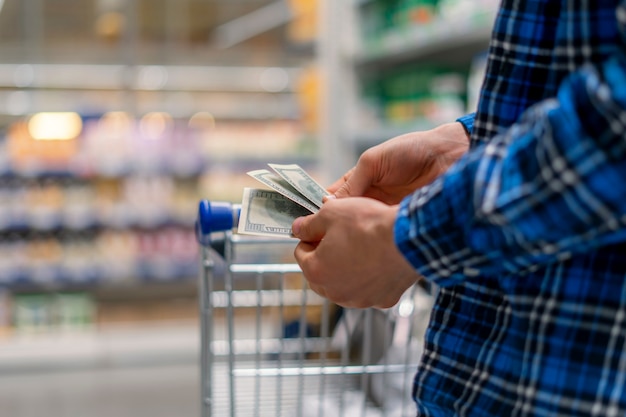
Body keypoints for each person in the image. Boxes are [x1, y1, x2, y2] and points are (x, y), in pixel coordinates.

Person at [291, 0, 626, 415]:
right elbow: (568, 77)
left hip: (575, 380)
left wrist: (405, 237)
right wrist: (465, 144)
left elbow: (613, 127)